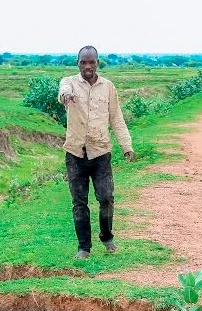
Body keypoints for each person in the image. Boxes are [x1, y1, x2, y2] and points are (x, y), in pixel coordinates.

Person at [58, 46, 134, 260]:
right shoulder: (69, 83)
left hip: (101, 152)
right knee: (79, 202)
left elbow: (117, 119)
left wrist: (126, 146)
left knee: (106, 197)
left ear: (97, 63)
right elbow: (63, 91)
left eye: (91, 62)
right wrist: (66, 96)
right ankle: (84, 247)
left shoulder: (108, 87)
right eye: (84, 62)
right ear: (78, 63)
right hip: (75, 153)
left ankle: (107, 237)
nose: (88, 67)